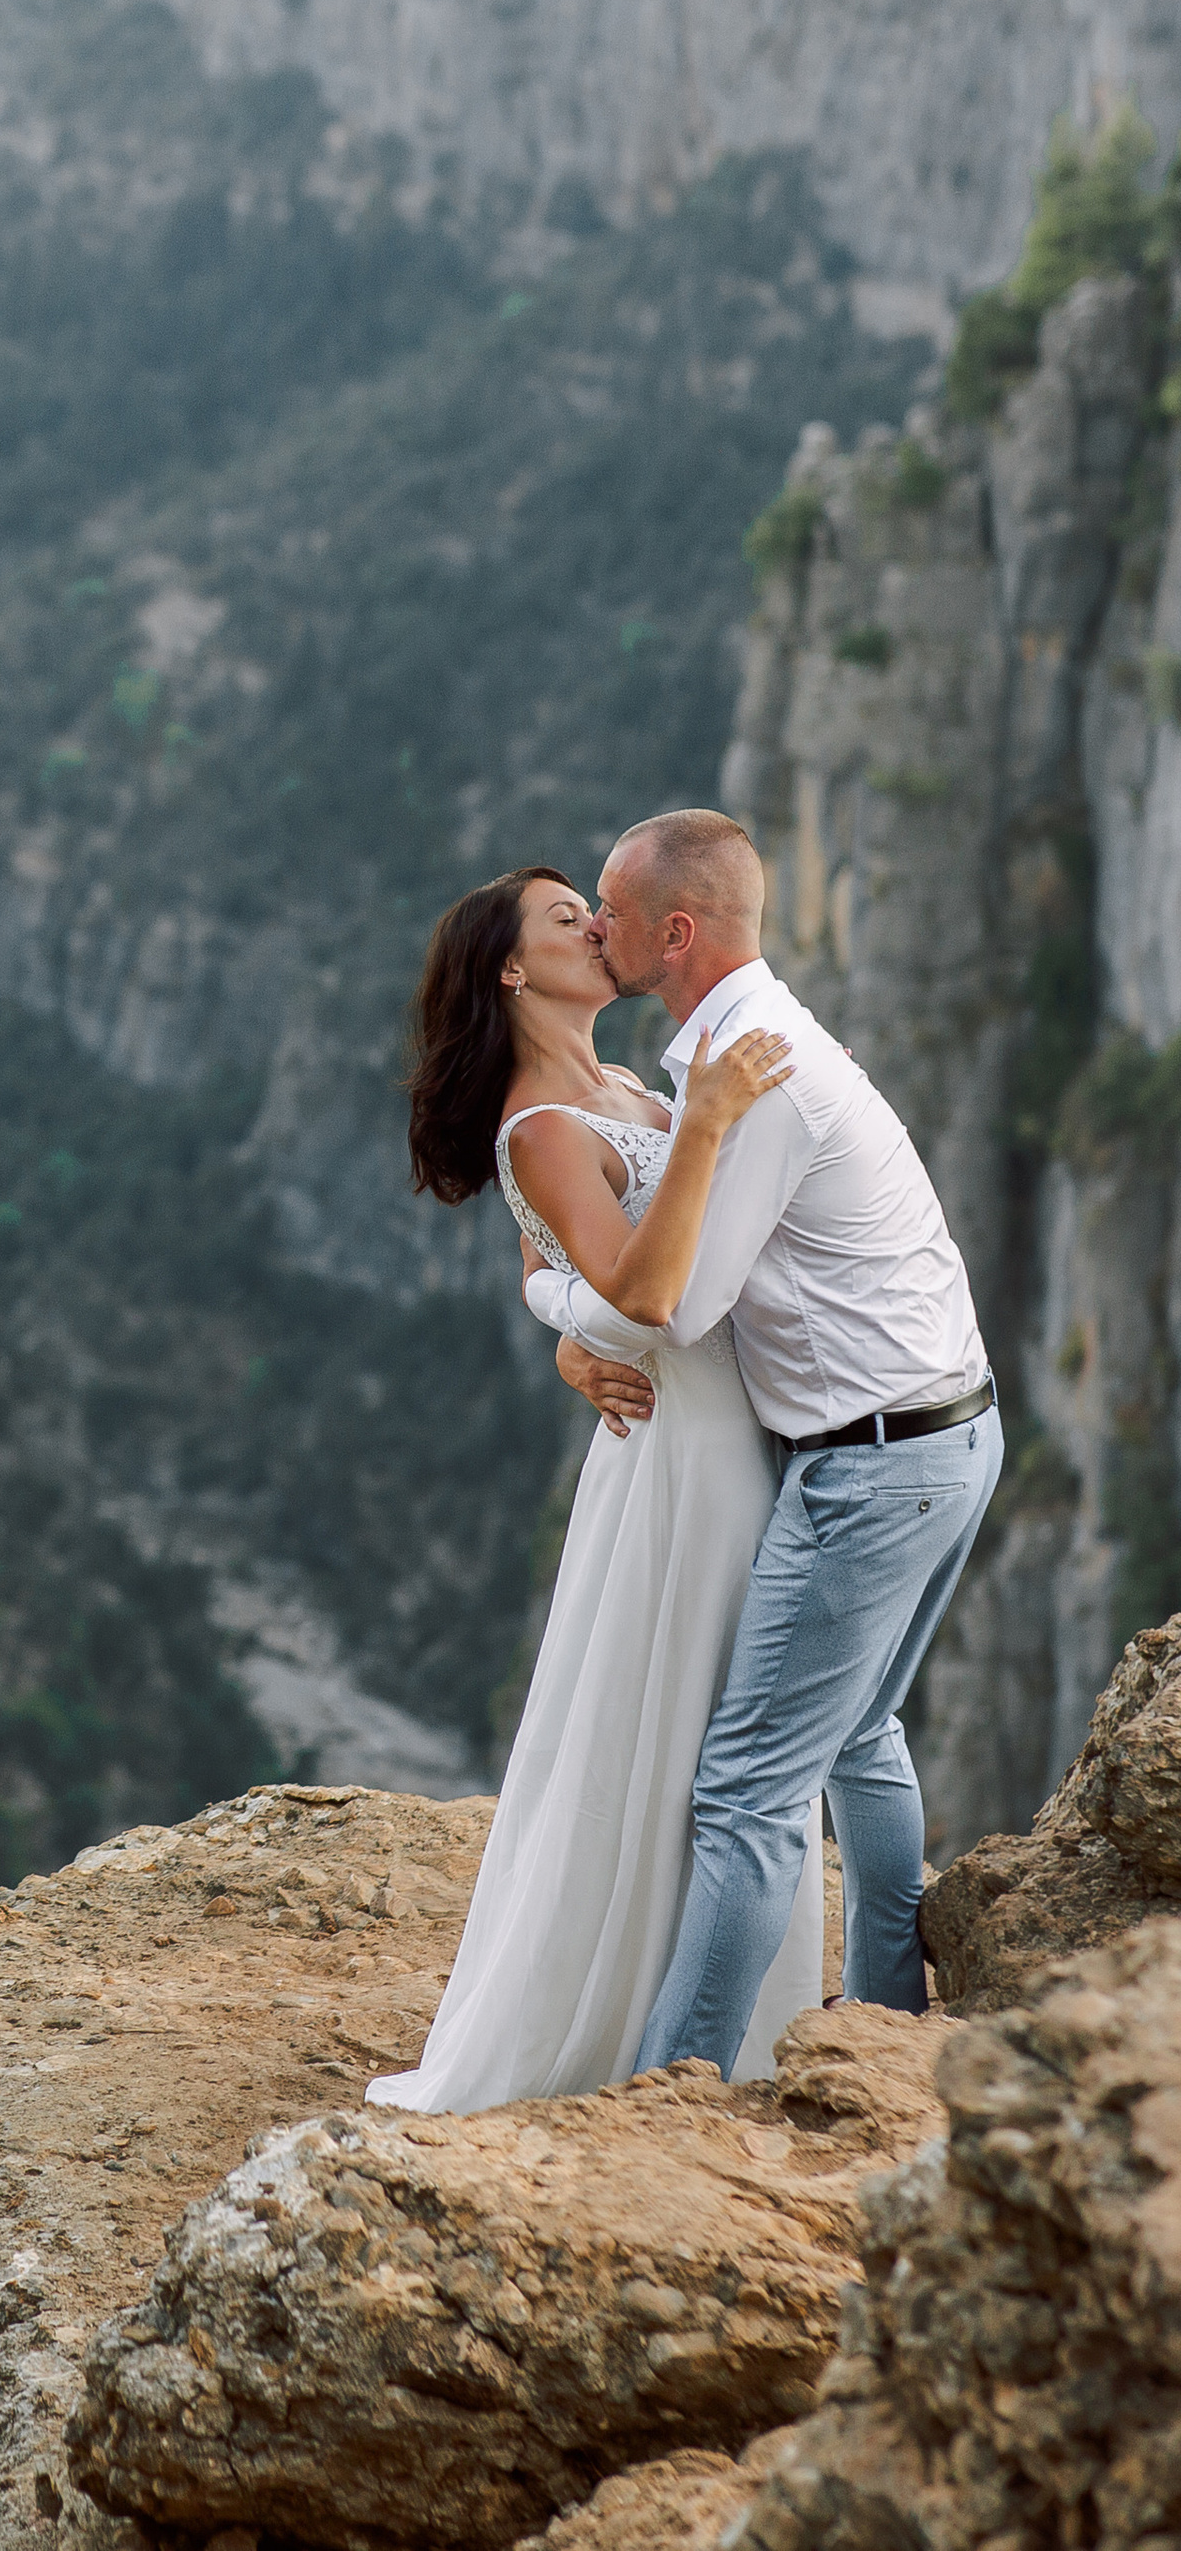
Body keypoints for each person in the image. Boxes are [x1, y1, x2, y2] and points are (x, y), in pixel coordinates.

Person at [526, 810, 998, 2074]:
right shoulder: (741, 1049)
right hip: (943, 1432)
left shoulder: (756, 1079)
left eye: (611, 912)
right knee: (857, 1732)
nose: (594, 925)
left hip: (872, 1464)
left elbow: (677, 1304)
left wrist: (564, 1314)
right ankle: (891, 2018)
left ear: (673, 933)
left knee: (743, 1790)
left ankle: (673, 2080)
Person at [369, 859, 819, 2112]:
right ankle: (667, 2026)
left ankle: (735, 2008)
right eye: (568, 917)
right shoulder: (543, 1121)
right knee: (692, 1705)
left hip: (731, 1411)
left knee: (726, 1697)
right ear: (514, 969)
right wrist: (711, 1133)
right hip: (684, 1439)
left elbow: (544, 1262)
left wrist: (567, 1327)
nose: (596, 925)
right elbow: (639, 1285)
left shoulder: (619, 1085)